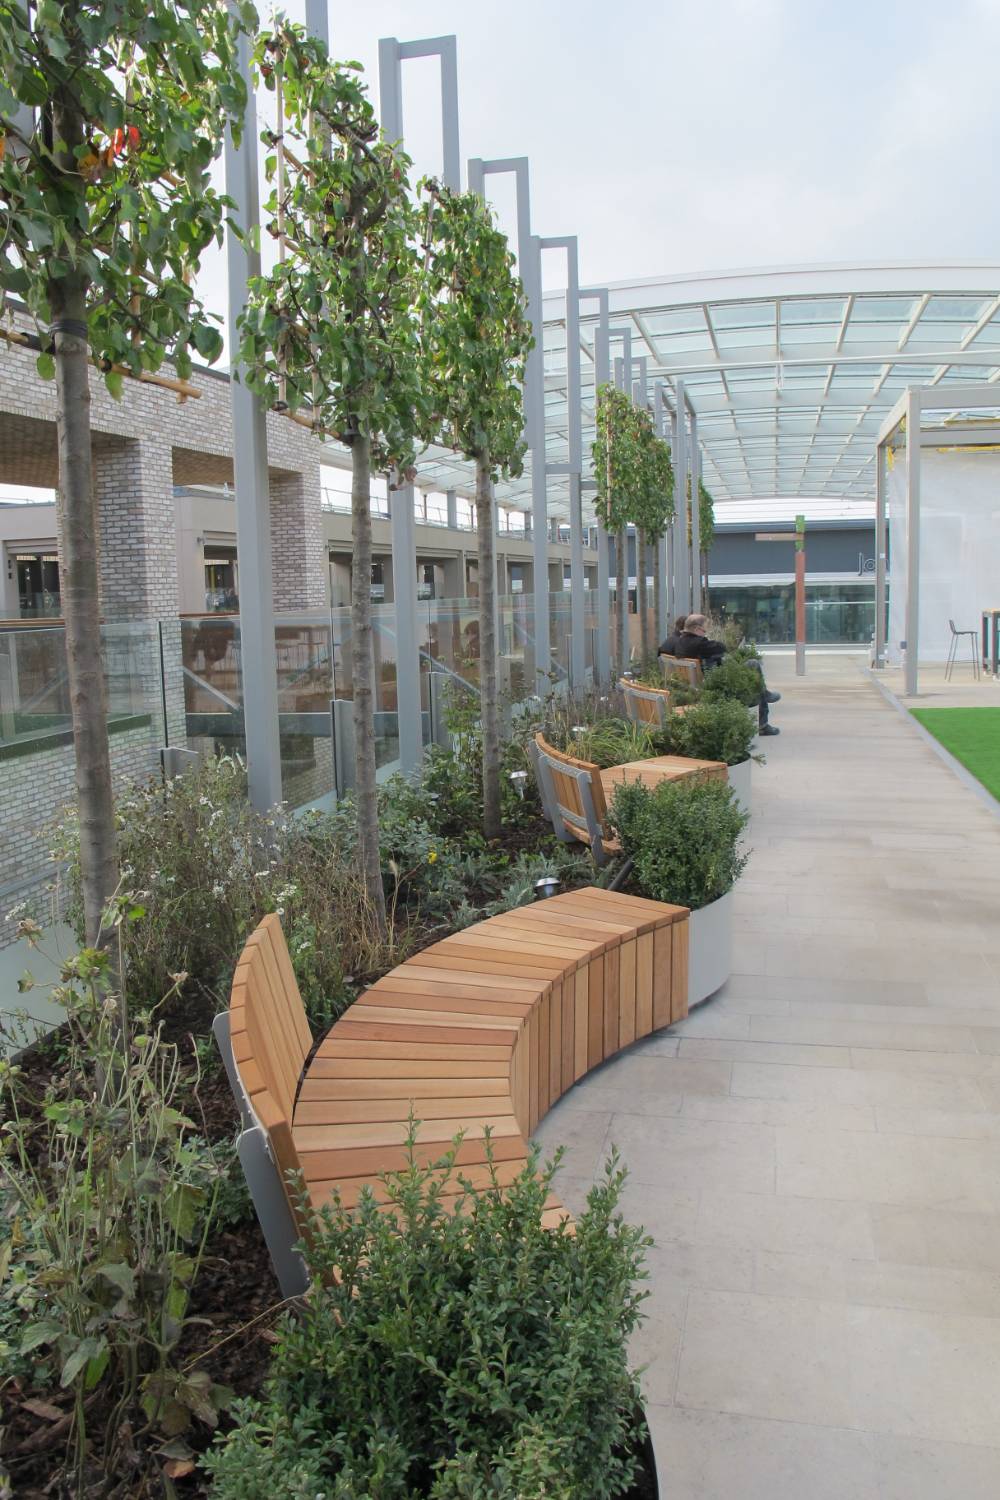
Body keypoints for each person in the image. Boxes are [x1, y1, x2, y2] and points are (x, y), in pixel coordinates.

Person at [674, 613, 781, 737]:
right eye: (705, 630)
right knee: (753, 664)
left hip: (696, 684)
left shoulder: (680, 641)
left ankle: (764, 694)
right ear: (697, 629)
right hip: (715, 685)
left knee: (750, 669)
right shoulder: (699, 643)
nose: (705, 633)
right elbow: (721, 647)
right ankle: (763, 721)